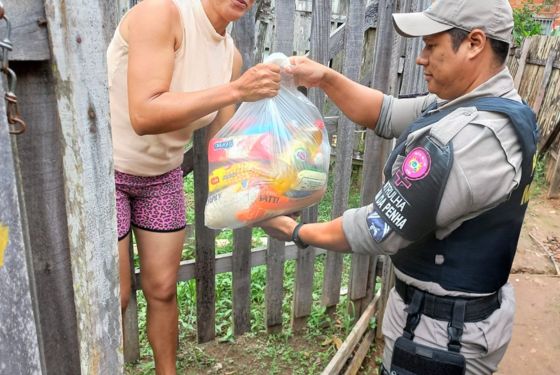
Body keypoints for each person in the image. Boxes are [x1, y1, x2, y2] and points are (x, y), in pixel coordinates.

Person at [258, 0, 538, 374]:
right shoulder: (484, 105)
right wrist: (325, 77)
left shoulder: (473, 138)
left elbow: (379, 228)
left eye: (431, 46)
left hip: (439, 339)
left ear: (474, 44)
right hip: (438, 318)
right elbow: (386, 112)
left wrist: (297, 231)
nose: (421, 58)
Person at [107, 0, 280, 373]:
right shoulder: (162, 13)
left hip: (162, 177)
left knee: (163, 289)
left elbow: (222, 143)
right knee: (115, 295)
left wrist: (268, 188)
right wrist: (235, 91)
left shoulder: (229, 56)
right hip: (108, 174)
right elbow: (144, 113)